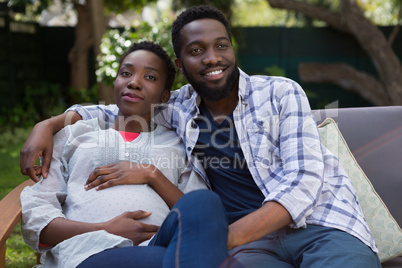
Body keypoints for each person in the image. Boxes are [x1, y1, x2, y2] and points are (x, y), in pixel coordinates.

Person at [21, 5, 381, 267]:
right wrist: (48, 125)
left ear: (231, 48)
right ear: (180, 66)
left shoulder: (280, 93)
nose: (212, 58)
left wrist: (227, 238)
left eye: (221, 46)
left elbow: (304, 182)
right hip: (252, 249)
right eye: (197, 51)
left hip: (318, 225)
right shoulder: (178, 106)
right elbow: (120, 107)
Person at [20, 41, 231, 268]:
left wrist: (152, 175)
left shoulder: (178, 144)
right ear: (116, 81)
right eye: (126, 73)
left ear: (164, 96)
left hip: (160, 244)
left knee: (205, 202)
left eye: (150, 77)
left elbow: (195, 216)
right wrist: (105, 229)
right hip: (89, 249)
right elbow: (37, 219)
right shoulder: (76, 135)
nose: (134, 82)